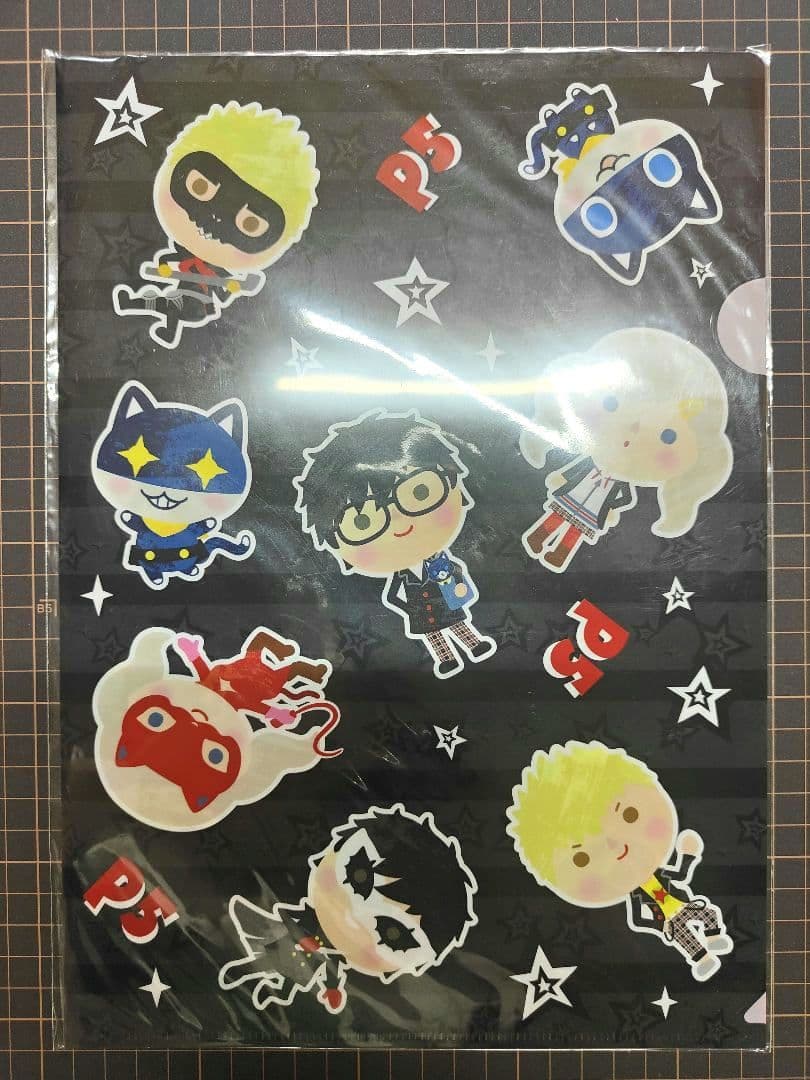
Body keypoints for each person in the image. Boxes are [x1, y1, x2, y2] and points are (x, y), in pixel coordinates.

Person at [294, 410, 497, 679]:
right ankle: (446, 659)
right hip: (421, 617)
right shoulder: (398, 578)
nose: (400, 523)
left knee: (458, 624)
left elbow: (456, 575)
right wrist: (408, 609)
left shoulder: (440, 560)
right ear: (332, 538)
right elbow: (391, 597)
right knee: (436, 638)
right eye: (363, 522)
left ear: (451, 480)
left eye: (420, 492)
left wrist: (454, 582)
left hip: (446, 605)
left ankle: (473, 644)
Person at [507, 741, 734, 981]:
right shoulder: (632, 898)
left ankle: (714, 936)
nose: (616, 849)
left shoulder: (658, 874)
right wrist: (660, 926)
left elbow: (679, 875)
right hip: (668, 922)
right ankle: (703, 959)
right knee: (686, 940)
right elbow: (638, 919)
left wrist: (687, 856)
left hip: (684, 906)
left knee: (706, 914)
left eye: (629, 814)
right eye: (582, 858)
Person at [219, 803, 478, 1013]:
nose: (353, 917)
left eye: (392, 934)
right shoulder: (291, 909)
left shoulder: (351, 980)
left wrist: (330, 991)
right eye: (360, 875)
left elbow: (330, 976)